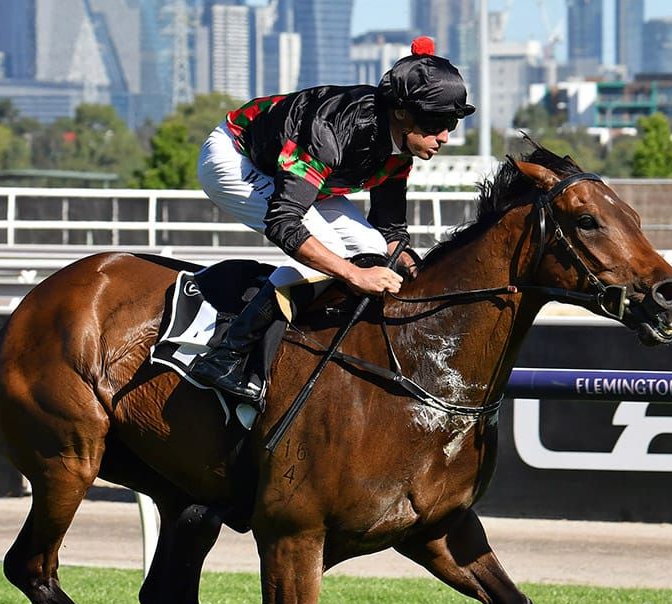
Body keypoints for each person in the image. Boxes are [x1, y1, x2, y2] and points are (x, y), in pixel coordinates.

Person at [189, 36, 476, 403]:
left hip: (296, 177)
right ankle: (226, 355)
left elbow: (389, 230)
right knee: (330, 254)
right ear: (402, 113)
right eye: (437, 123)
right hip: (235, 157)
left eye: (451, 122)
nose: (445, 137)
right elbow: (284, 222)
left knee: (372, 246)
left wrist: (416, 270)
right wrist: (353, 274)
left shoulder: (401, 148)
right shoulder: (333, 130)